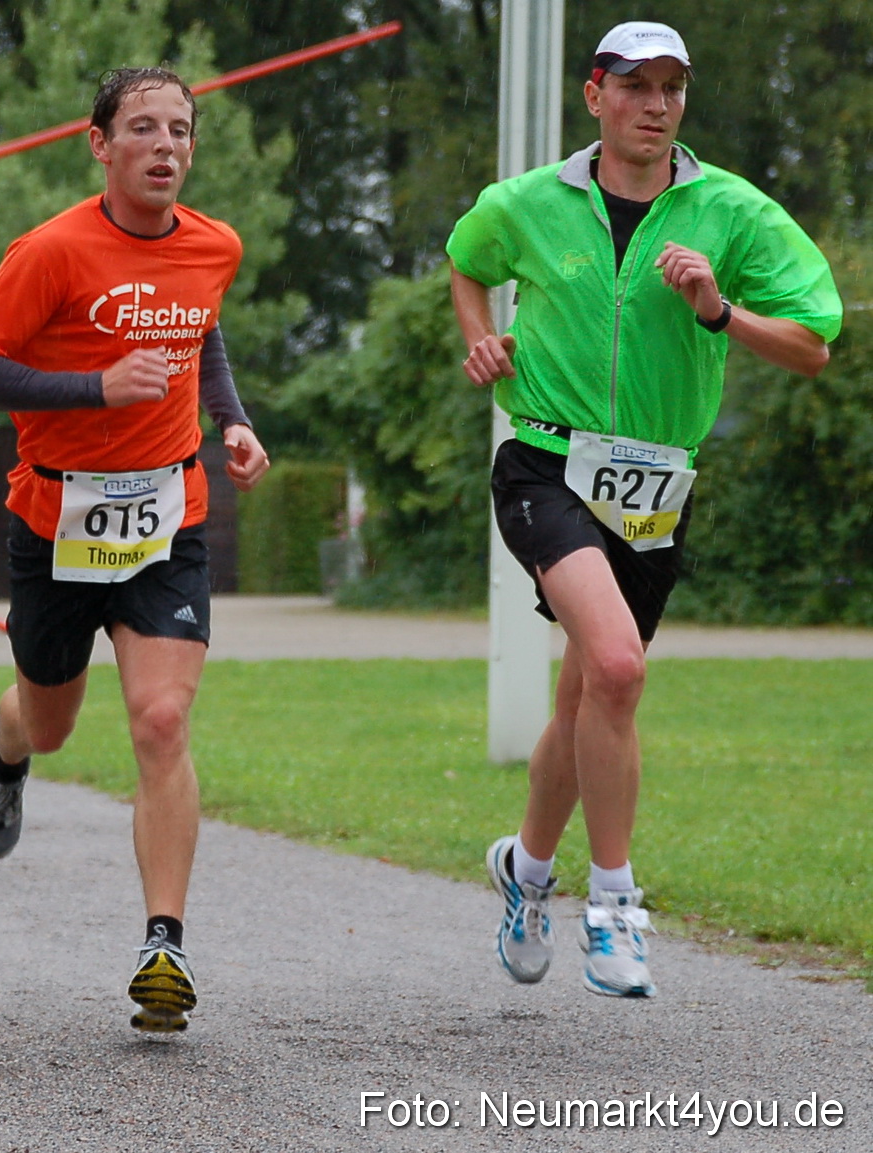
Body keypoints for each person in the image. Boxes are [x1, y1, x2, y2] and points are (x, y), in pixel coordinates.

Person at [447, 22, 841, 998]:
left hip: (655, 489)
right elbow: (466, 259)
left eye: (672, 87)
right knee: (619, 669)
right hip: (544, 463)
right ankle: (615, 907)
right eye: (635, 85)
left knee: (588, 696)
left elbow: (812, 343)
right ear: (596, 95)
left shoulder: (732, 214)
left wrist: (719, 311)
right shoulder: (529, 203)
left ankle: (526, 873)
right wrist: (480, 337)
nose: (655, 104)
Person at [0, 67, 270, 1034]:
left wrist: (233, 421)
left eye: (180, 129)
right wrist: (93, 389)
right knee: (49, 721)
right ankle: (5, 750)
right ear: (101, 143)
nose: (165, 145)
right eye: (143, 128)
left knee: (162, 720)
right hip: (56, 523)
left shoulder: (215, 245)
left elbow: (200, 335)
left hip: (168, 517)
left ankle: (162, 942)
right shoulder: (49, 252)